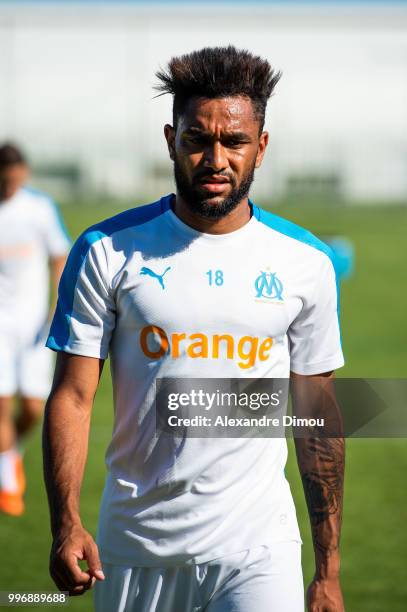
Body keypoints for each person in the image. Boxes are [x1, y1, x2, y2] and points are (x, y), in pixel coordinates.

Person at [43, 46, 345, 611]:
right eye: (196, 139)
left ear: (261, 146)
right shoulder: (106, 250)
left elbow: (317, 415)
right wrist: (66, 523)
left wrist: (326, 569)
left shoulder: (307, 262)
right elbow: (74, 397)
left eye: (233, 141)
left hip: (260, 551)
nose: (215, 158)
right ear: (170, 139)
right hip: (134, 548)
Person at [0, 143, 70, 516]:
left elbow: (60, 255)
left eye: (15, 178)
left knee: (31, 407)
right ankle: (9, 484)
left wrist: (55, 306)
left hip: (34, 326)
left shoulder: (39, 209)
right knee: (1, 405)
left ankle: (10, 449)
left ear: (23, 174)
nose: (10, 185)